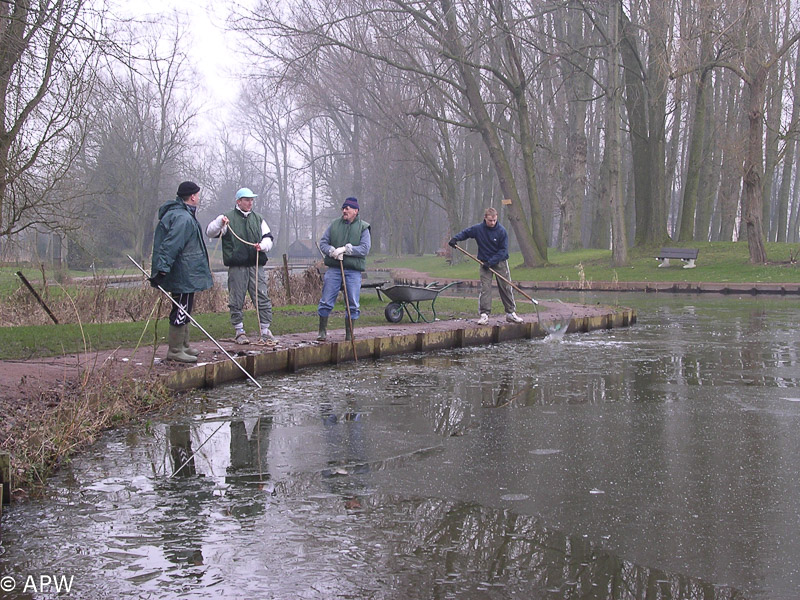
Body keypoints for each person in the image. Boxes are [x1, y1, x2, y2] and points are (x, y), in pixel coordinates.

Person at [150, 181, 214, 363]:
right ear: (192, 196)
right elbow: (172, 245)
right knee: (180, 308)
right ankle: (176, 350)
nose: (199, 198)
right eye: (198, 194)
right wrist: (162, 270)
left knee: (185, 308)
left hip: (186, 273)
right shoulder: (183, 218)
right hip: (182, 273)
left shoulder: (183, 215)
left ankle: (184, 345)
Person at [206, 187, 276, 345]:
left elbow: (268, 237)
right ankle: (239, 331)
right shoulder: (227, 219)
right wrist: (220, 222)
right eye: (247, 200)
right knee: (236, 299)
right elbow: (210, 232)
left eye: (251, 200)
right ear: (238, 201)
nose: (250, 203)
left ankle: (265, 330)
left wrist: (263, 246)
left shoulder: (258, 218)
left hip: (256, 265)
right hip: (237, 266)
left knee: (262, 297)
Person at [448, 207, 524, 325]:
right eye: (490, 220)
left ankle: (510, 313)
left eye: (494, 220)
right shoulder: (478, 229)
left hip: (500, 262)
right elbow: (466, 233)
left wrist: (492, 262)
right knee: (485, 288)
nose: (492, 223)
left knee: (506, 287)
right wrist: (455, 239)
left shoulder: (501, 231)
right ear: (485, 218)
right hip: (484, 263)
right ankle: (484, 314)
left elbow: (503, 250)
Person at [316, 197, 371, 341]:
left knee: (352, 303)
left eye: (348, 208)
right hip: (334, 269)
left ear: (355, 211)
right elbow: (323, 243)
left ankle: (349, 334)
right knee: (326, 300)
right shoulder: (334, 225)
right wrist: (331, 251)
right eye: (343, 208)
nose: (344, 210)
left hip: (353, 271)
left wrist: (346, 250)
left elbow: (365, 249)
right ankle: (322, 332)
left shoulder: (363, 227)